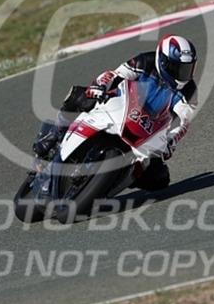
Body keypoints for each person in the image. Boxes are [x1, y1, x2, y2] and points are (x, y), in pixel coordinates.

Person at [32, 33, 198, 191]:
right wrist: (99, 86)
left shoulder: (189, 91)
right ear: (162, 60)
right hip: (119, 106)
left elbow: (184, 124)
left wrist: (170, 141)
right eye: (177, 67)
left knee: (159, 179)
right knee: (79, 96)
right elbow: (115, 74)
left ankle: (111, 182)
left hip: (147, 131)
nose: (182, 74)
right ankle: (53, 135)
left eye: (187, 68)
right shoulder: (145, 61)